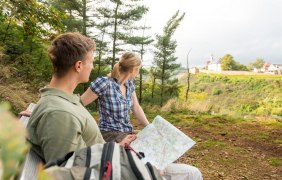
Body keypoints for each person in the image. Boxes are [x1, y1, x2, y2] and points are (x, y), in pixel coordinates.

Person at [81, 52, 203, 179]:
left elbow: (136, 108)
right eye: (138, 70)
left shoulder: (129, 84)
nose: (138, 73)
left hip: (127, 132)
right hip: (110, 135)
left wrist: (150, 127)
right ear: (134, 69)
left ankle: (159, 171)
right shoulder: (104, 83)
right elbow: (79, 104)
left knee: (160, 147)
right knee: (148, 162)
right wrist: (91, 128)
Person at [26, 32, 136, 164]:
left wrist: (116, 148)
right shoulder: (60, 114)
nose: (92, 66)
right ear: (78, 66)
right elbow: (72, 171)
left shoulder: (65, 102)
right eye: (91, 62)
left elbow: (86, 154)